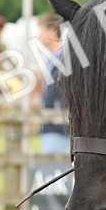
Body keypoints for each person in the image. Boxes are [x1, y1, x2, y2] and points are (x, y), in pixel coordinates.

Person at [33, 13, 69, 155]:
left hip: (58, 127)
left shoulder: (63, 60)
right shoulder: (53, 60)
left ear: (52, 31)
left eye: (42, 30)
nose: (39, 35)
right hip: (52, 125)